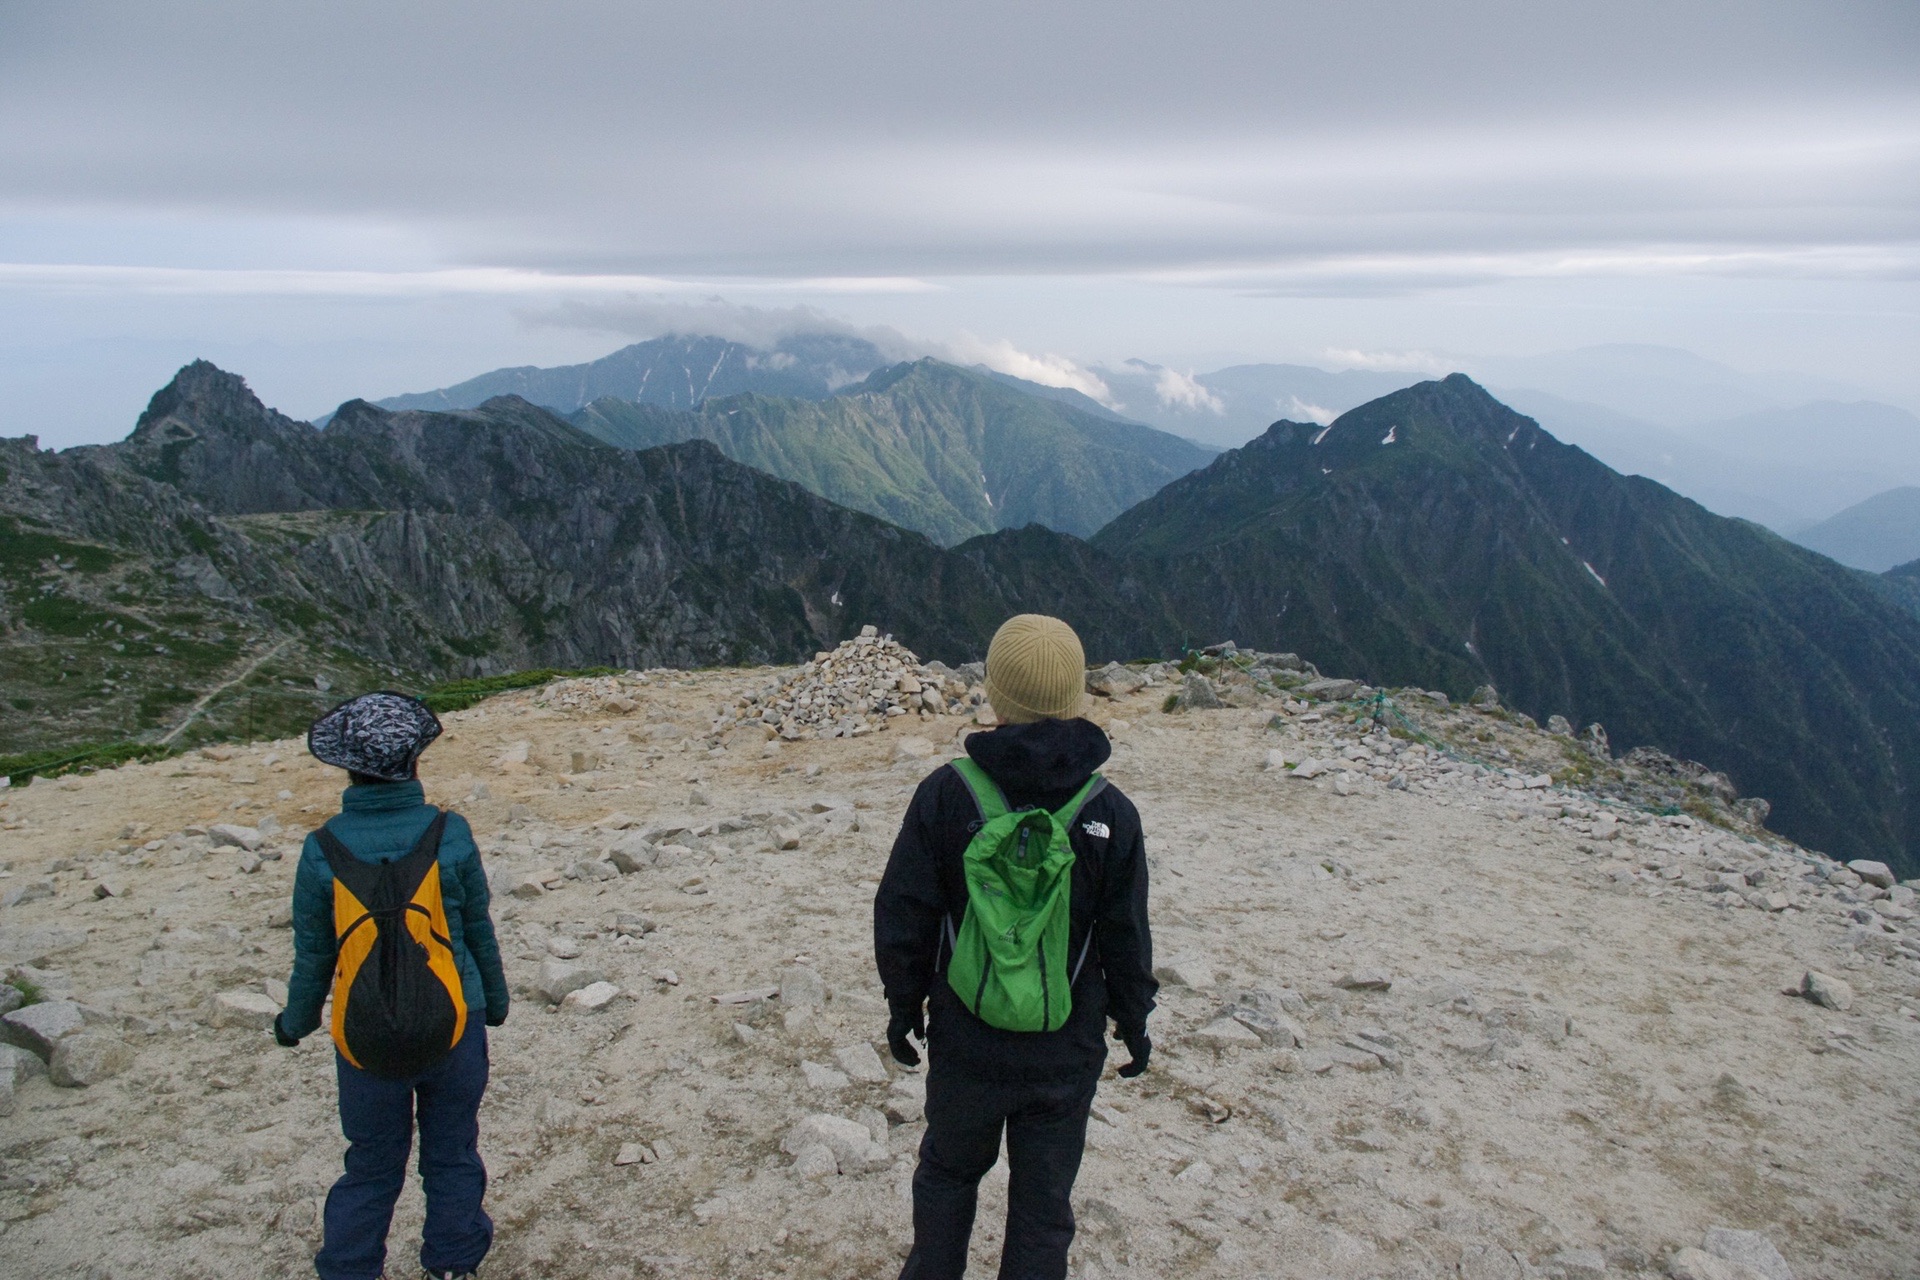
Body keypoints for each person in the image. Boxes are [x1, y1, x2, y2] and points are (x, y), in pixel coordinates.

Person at [875, 614, 1157, 1280]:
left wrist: (902, 1001)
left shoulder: (948, 795)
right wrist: (1135, 1018)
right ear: (1077, 696)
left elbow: (905, 909)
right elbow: (1125, 934)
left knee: (948, 1173)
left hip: (966, 1038)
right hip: (1066, 1045)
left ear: (996, 694)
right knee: (1041, 1208)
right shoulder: (1110, 813)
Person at [274, 691, 510, 1280]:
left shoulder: (321, 848)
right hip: (456, 1018)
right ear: (414, 761)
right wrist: (495, 1003)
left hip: (364, 1032)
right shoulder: (449, 833)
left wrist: (294, 1023)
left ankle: (351, 1268)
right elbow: (477, 928)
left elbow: (314, 957)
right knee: (452, 1154)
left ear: (347, 767)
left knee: (371, 1166)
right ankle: (454, 1265)